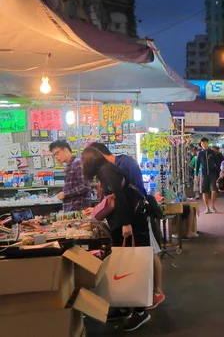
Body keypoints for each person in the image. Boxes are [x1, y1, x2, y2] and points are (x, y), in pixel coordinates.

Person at [88, 143, 166, 311]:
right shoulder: (109, 169)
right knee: (141, 255)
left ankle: (154, 294)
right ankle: (138, 299)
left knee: (147, 253)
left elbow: (130, 193)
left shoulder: (121, 164)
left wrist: (126, 222)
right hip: (130, 220)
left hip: (137, 217)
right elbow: (115, 196)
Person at [81, 147, 151, 332]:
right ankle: (123, 306)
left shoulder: (106, 170)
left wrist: (126, 224)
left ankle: (140, 311)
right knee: (123, 264)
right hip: (124, 222)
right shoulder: (105, 170)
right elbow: (113, 197)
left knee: (131, 264)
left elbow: (120, 197)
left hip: (129, 223)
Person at [49, 140, 91, 212]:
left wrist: (65, 194)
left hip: (79, 210)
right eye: (54, 155)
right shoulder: (70, 165)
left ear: (65, 149)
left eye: (57, 153)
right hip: (72, 209)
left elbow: (85, 186)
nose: (56, 157)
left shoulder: (78, 163)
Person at [196, 138, 220, 213]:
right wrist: (196, 175)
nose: (204, 145)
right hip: (203, 174)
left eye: (205, 143)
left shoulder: (212, 152)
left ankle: (212, 205)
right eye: (202, 144)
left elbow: (217, 163)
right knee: (204, 191)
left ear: (208, 143)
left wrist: (218, 172)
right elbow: (197, 164)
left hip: (212, 174)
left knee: (214, 190)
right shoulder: (200, 153)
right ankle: (207, 208)